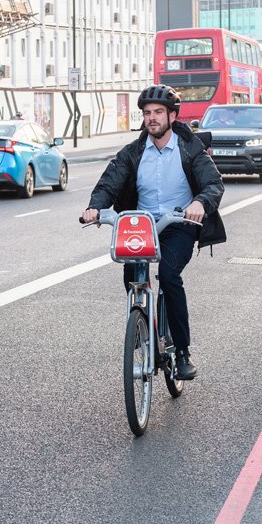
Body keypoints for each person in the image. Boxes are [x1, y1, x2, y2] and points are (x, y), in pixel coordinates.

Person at [81, 85, 226, 379]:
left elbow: (214, 184)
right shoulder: (133, 152)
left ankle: (182, 351)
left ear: (172, 115)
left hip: (178, 225)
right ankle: (141, 325)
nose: (152, 118)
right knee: (133, 273)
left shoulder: (190, 148)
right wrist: (95, 208)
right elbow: (110, 182)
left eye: (159, 112)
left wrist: (199, 202)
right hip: (142, 227)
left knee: (170, 276)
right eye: (147, 113)